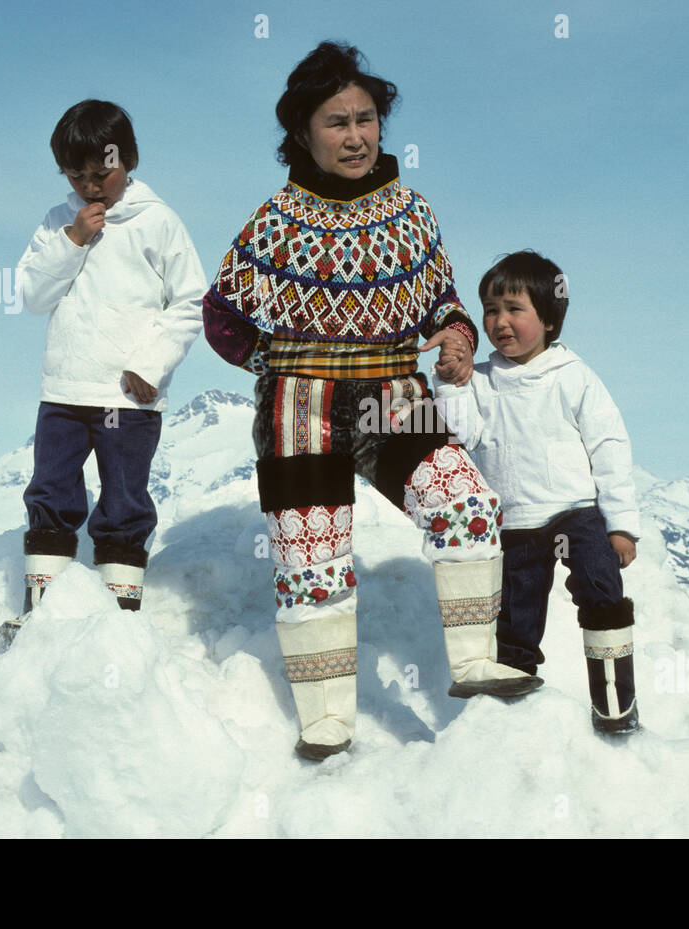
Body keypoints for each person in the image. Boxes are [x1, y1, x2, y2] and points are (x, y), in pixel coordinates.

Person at [203, 42, 542, 760]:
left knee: (466, 503)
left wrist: (454, 336)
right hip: (299, 406)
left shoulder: (412, 215)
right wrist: (269, 359)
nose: (355, 136)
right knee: (312, 560)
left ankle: (476, 661)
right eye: (336, 122)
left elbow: (445, 302)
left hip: (393, 393)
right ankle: (327, 719)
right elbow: (221, 315)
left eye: (365, 119)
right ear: (302, 132)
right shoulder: (276, 222)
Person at [0, 99, 208, 647]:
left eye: (102, 173)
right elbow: (32, 296)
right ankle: (43, 610)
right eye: (77, 175)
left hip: (129, 396)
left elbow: (190, 301)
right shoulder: (55, 225)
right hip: (65, 391)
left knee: (123, 500)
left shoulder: (158, 222)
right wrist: (71, 242)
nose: (92, 186)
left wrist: (150, 364)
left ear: (129, 160)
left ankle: (119, 619)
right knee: (50, 490)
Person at [432, 251, 643, 733]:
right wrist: (452, 387)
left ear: (548, 318)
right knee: (513, 623)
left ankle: (615, 700)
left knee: (600, 585)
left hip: (575, 514)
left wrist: (622, 525)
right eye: (489, 310)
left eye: (513, 308)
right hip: (513, 524)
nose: (499, 321)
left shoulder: (574, 377)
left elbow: (610, 448)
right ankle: (515, 723)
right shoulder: (480, 381)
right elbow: (461, 438)